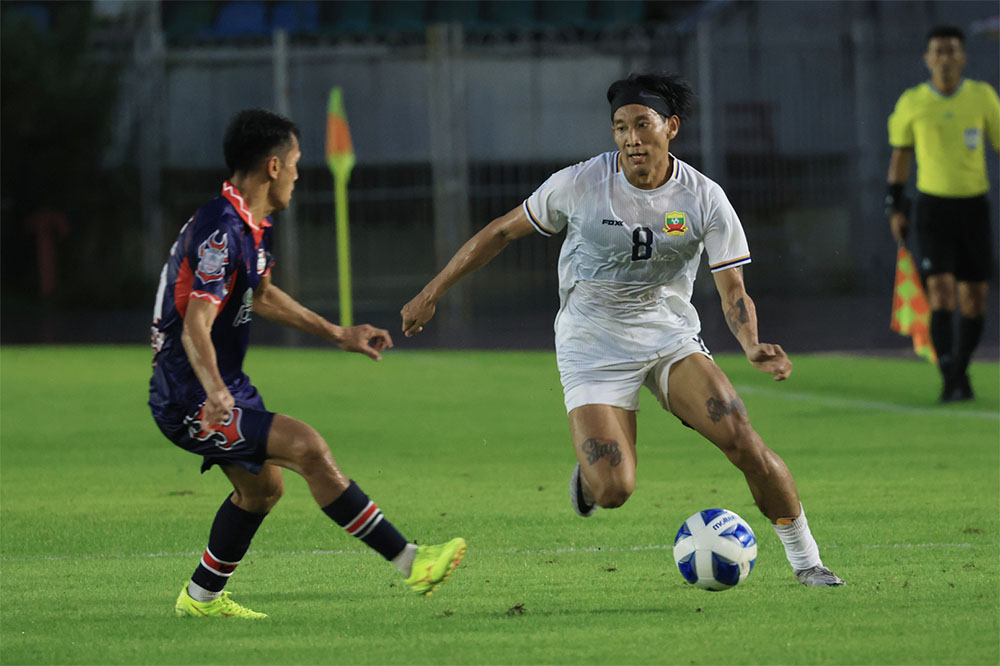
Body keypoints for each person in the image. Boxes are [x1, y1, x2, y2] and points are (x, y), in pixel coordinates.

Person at [401, 72, 844, 587]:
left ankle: (807, 561)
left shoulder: (704, 197)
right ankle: (592, 482)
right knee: (615, 490)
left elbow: (732, 288)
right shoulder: (581, 183)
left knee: (742, 436)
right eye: (620, 127)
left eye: (642, 124)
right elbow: (501, 230)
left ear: (670, 127)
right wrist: (431, 291)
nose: (631, 137)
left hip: (668, 336)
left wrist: (751, 344)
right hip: (591, 344)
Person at [150, 109, 465, 619]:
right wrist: (212, 391)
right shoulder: (220, 230)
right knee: (308, 448)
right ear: (273, 166)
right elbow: (195, 325)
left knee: (261, 491)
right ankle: (412, 562)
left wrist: (339, 333)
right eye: (296, 162)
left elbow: (266, 297)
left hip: (220, 385)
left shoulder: (253, 224)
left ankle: (200, 598)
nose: (300, 173)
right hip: (191, 397)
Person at [886, 25, 1000, 402]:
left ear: (963, 57)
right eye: (938, 51)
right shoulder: (913, 102)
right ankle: (949, 372)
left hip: (974, 209)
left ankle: (959, 369)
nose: (945, 58)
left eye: (952, 50)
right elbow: (901, 155)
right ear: (928, 58)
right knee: (941, 292)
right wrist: (895, 205)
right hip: (933, 209)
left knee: (975, 299)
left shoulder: (982, 98)